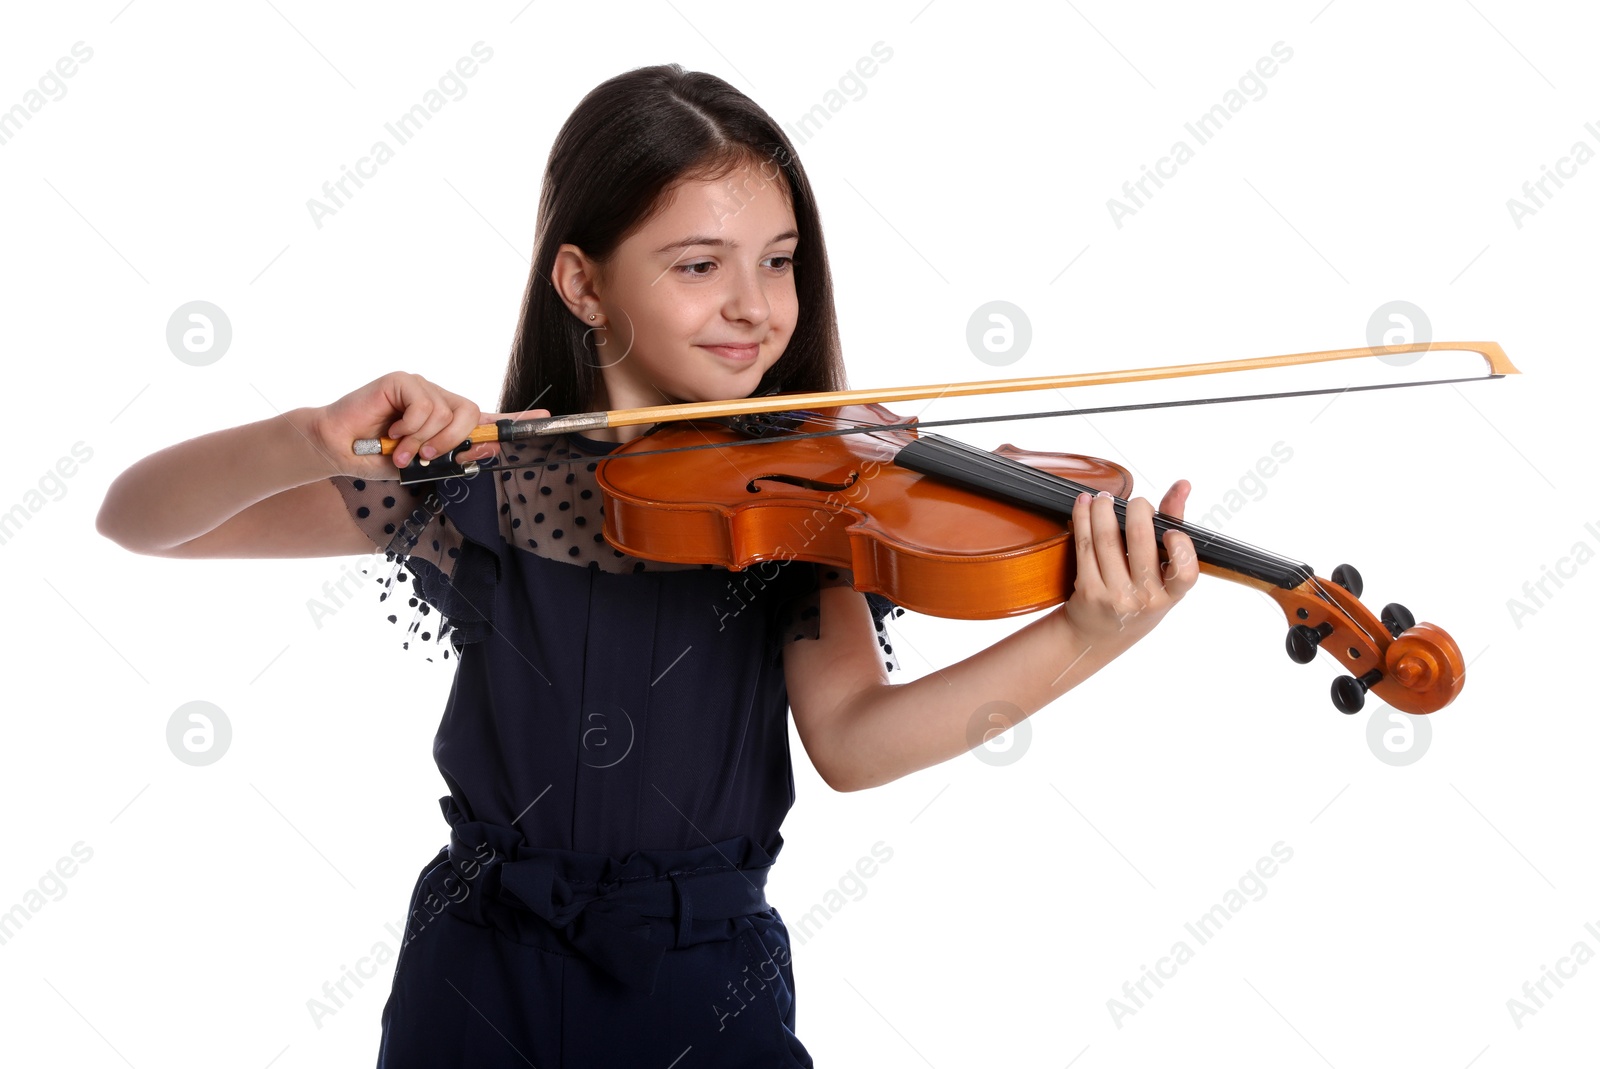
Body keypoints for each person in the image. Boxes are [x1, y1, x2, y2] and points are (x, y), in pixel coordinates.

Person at [96, 64, 1198, 1068]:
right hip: (478, 975)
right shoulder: (480, 483)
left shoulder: (797, 503)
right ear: (582, 283)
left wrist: (1085, 632)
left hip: (703, 974)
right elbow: (139, 519)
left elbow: (857, 743)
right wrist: (304, 434)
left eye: (778, 262)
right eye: (697, 264)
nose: (754, 307)